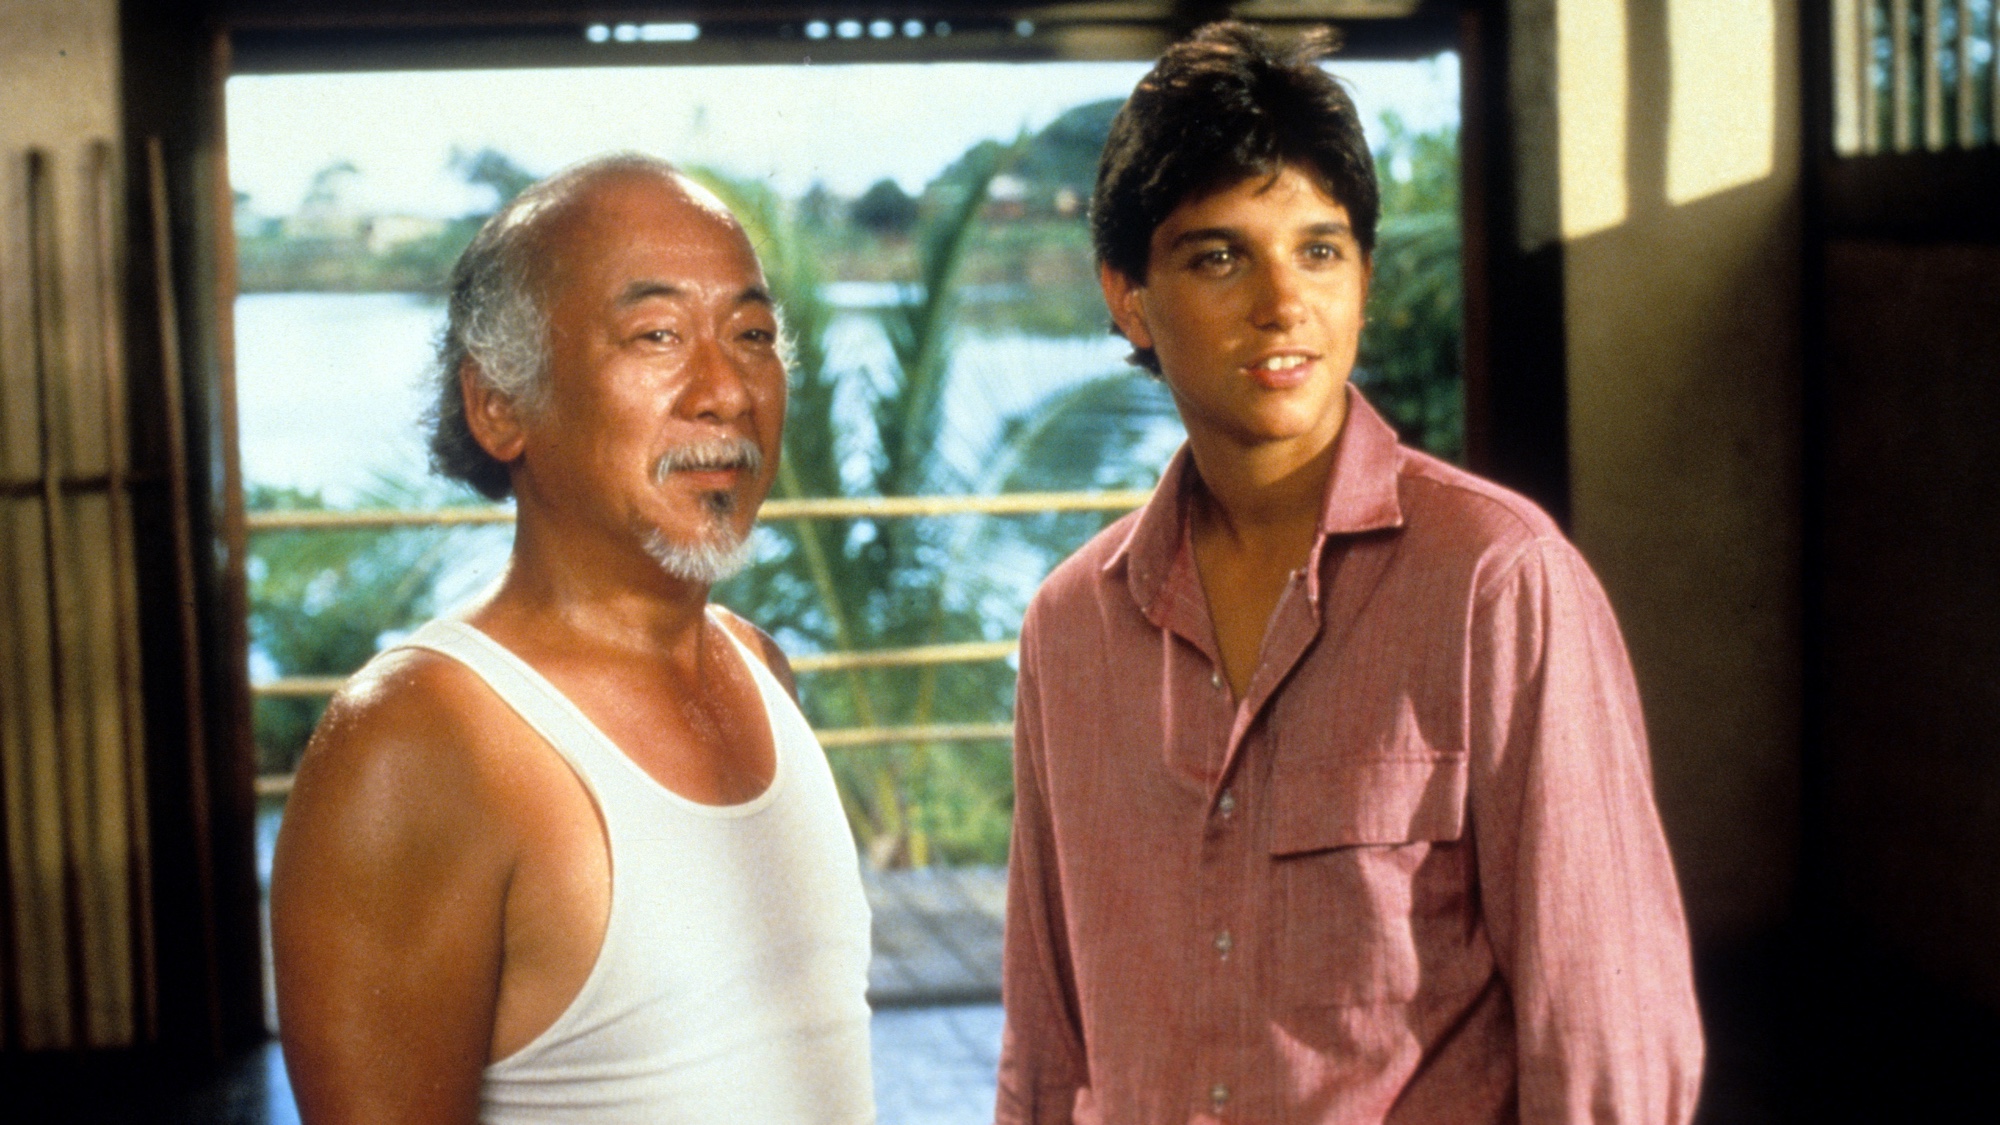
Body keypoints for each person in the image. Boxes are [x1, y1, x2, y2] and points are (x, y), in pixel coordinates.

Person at [996, 23, 1703, 1124]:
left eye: (1319, 251)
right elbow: (1046, 1049)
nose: (1283, 303)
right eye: (1220, 256)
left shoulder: (1499, 585)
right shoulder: (1069, 629)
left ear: (1363, 278)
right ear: (1129, 297)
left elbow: (1607, 1039)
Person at [270, 155, 874, 1124]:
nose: (725, 390)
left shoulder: (761, 671)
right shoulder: (417, 743)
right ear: (498, 404)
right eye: (656, 335)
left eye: (752, 335)